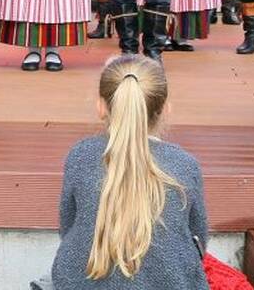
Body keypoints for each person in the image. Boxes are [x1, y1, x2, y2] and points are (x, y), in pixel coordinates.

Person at [51, 55, 209, 289]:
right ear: (165, 109)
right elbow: (198, 239)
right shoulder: (184, 165)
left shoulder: (80, 156)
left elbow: (67, 226)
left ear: (101, 107)